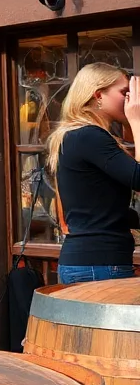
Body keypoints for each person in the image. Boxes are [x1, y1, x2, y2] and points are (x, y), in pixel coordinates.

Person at [47, 63, 140, 284]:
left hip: (89, 261)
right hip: (99, 264)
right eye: (124, 92)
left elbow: (98, 208)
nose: (130, 100)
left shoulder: (76, 135)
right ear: (98, 94)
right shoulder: (90, 136)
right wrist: (136, 120)